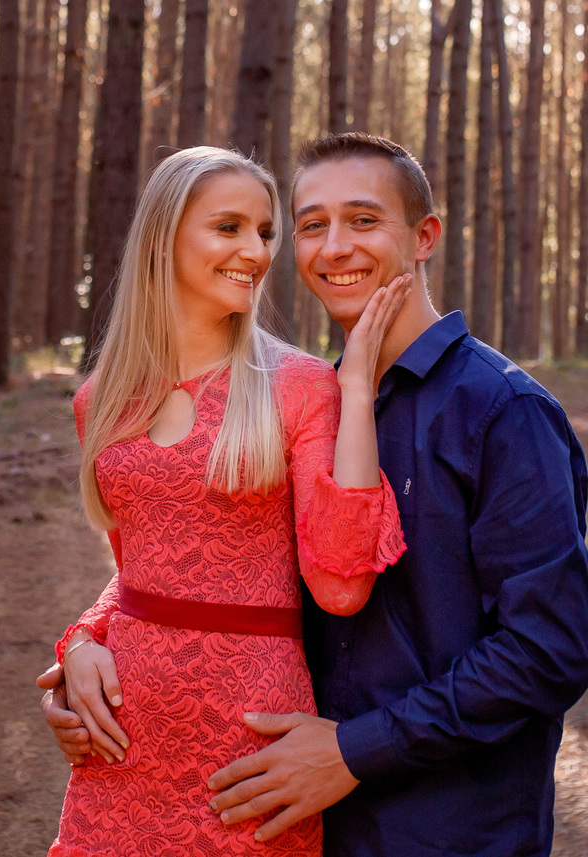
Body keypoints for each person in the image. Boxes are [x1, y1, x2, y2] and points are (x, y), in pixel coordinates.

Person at [41, 133, 588, 857]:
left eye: (363, 220)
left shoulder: (501, 410)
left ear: (424, 237)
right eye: (308, 225)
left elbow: (548, 650)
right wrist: (87, 639)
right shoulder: (307, 397)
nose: (334, 247)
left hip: (447, 827)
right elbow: (197, 558)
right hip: (292, 797)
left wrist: (354, 750)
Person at [45, 144, 407, 857]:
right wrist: (82, 641)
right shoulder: (100, 401)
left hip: (249, 741)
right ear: (163, 237)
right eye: (229, 227)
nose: (257, 252)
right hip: (120, 739)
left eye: (265, 232)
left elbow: (341, 586)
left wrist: (355, 389)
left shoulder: (299, 385)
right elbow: (138, 570)